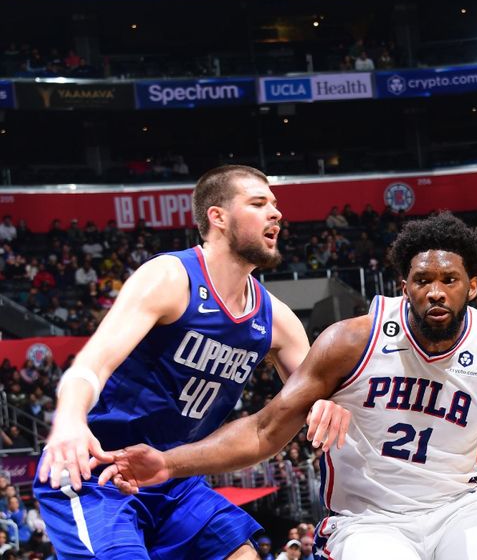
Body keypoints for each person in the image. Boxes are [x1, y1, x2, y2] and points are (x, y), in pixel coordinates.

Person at [95, 212, 477, 560]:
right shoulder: (350, 342)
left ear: (472, 286)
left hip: (458, 505)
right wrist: (170, 462)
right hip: (368, 521)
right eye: (422, 280)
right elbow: (265, 429)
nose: (435, 291)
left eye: (450, 281)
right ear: (403, 285)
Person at [35, 165, 349, 559]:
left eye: (275, 204)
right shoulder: (170, 277)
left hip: (175, 477)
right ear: (217, 217)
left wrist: (332, 405)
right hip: (99, 469)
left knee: (245, 555)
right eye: (258, 203)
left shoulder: (278, 320)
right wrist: (68, 421)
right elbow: (93, 362)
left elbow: (308, 404)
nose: (276, 213)